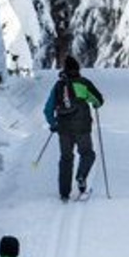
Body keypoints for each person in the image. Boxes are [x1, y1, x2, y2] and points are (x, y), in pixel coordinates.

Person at [43, 54, 105, 201]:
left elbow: (48, 109)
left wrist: (53, 124)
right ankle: (81, 176)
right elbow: (98, 100)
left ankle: (64, 193)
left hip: (63, 129)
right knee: (87, 154)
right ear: (77, 69)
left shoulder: (58, 86)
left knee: (66, 158)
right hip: (82, 127)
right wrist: (94, 104)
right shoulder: (83, 83)